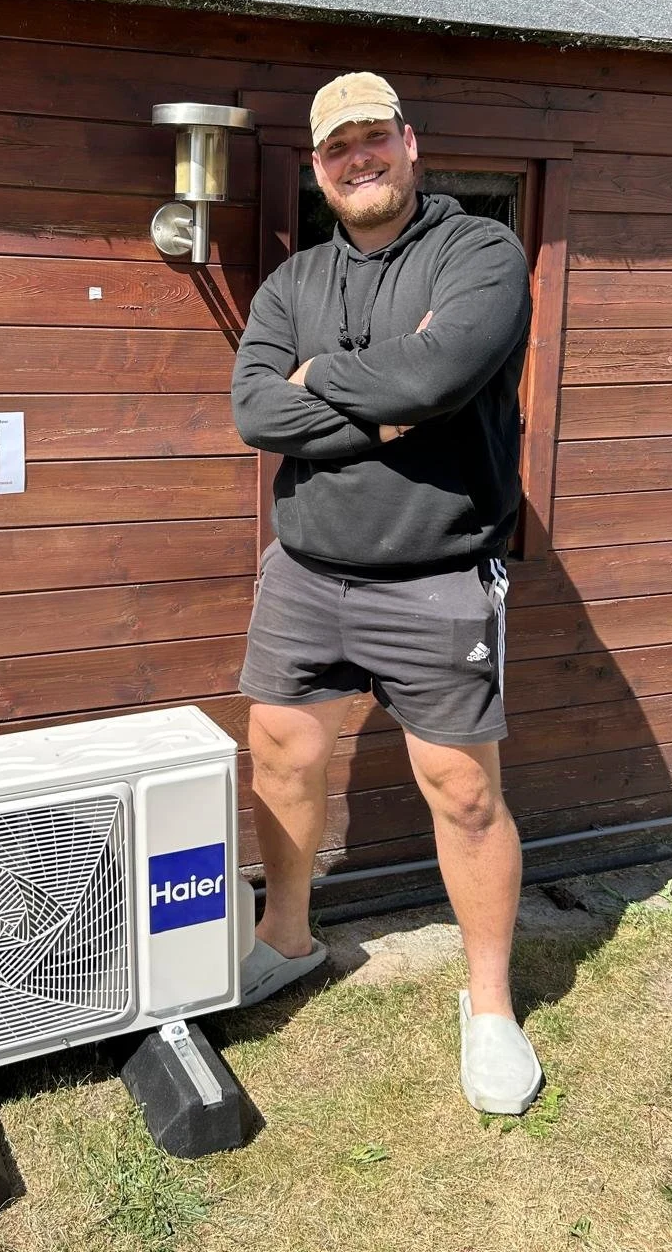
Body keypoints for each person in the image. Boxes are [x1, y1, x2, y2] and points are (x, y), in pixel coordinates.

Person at [230, 71, 542, 1115]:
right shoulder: (291, 284)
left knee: (463, 789)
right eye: (336, 148)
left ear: (411, 144)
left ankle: (490, 1005)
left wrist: (324, 381)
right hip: (307, 573)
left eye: (374, 138)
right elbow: (255, 412)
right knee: (281, 752)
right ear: (318, 170)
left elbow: (439, 378)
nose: (357, 159)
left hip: (438, 575)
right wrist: (383, 399)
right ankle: (287, 934)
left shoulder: (481, 254)